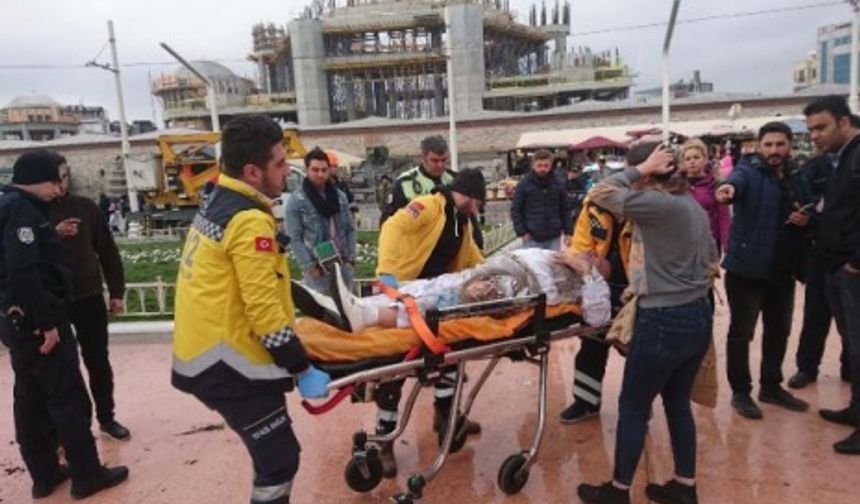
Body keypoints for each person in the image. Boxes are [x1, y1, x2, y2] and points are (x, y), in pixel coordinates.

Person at [171, 115, 332, 503]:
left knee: (276, 456)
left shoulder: (220, 201)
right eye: (279, 163)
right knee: (279, 459)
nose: (286, 171)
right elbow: (260, 305)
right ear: (252, 172)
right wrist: (300, 364)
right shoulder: (248, 220)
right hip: (227, 364)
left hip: (204, 351)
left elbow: (258, 283)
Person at [577, 141, 717, 504]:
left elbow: (599, 193)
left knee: (634, 406)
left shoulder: (658, 204)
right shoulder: (692, 206)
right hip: (697, 315)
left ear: (651, 174)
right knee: (677, 402)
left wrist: (640, 169)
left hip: (664, 320)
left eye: (637, 174)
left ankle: (619, 491)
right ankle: (685, 486)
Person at [0, 150, 128, 500]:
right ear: (39, 177)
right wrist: (46, 324)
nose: (60, 187)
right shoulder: (23, 211)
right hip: (37, 321)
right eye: (56, 179)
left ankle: (44, 475)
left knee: (30, 397)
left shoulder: (7, 205)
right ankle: (87, 475)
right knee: (67, 397)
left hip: (15, 319)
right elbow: (24, 272)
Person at [371, 168, 486, 478]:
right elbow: (393, 226)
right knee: (395, 367)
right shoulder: (429, 205)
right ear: (467, 195)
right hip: (404, 291)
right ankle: (384, 439)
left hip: (436, 299)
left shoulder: (461, 221)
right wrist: (387, 272)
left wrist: (489, 273)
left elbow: (472, 254)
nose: (477, 211)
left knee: (449, 354)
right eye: (476, 204)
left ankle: (445, 416)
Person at [715, 121, 813, 420]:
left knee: (778, 330)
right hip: (747, 268)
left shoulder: (797, 175)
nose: (774, 150)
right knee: (741, 333)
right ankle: (741, 392)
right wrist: (727, 188)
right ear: (759, 146)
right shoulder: (749, 170)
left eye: (780, 144)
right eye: (768, 144)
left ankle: (771, 386)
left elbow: (811, 207)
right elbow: (735, 183)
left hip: (783, 269)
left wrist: (806, 219)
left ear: (789, 145)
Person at [293, 248, 611, 332]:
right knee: (432, 285)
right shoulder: (566, 258)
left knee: (447, 301)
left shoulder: (590, 283)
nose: (589, 254)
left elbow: (598, 319)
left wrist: (588, 273)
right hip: (505, 266)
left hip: (516, 286)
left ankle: (368, 315)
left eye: (596, 259)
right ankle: (346, 304)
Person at [49, 156, 130, 441]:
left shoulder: (85, 208)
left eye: (63, 177)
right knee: (62, 366)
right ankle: (71, 427)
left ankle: (107, 418)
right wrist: (53, 235)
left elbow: (107, 251)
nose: (59, 184)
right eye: (54, 178)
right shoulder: (32, 213)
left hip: (88, 295)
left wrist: (117, 292)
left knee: (98, 361)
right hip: (53, 301)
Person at [558, 157, 636, 424]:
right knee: (591, 346)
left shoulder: (646, 209)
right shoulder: (592, 209)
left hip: (636, 290)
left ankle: (638, 407)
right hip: (599, 287)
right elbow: (580, 246)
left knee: (637, 351)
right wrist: (585, 265)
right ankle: (585, 401)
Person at [804, 95, 860, 454]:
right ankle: (857, 409)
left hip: (853, 269)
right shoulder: (843, 158)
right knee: (854, 348)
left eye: (821, 127)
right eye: (810, 130)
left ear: (844, 122)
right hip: (840, 266)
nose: (814, 136)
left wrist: (856, 261)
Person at [788, 154, 851, 389]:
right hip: (821, 252)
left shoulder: (852, 164)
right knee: (816, 312)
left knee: (851, 316)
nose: (816, 135)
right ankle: (807, 367)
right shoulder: (815, 166)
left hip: (851, 254)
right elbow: (801, 198)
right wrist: (809, 217)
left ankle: (850, 367)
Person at [285, 147, 356, 296]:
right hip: (318, 270)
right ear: (307, 170)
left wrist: (350, 260)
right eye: (315, 170)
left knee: (347, 315)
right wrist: (309, 267)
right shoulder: (297, 200)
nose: (320, 174)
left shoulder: (340, 196)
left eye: (324, 170)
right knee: (322, 315)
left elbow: (350, 229)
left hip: (343, 265)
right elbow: (294, 238)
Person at [379, 135, 455, 224]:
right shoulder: (405, 183)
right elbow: (388, 221)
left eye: (444, 160)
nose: (440, 165)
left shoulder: (455, 179)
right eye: (435, 161)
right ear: (423, 158)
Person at [511, 149, 572, 250]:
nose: (542, 169)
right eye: (539, 165)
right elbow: (516, 209)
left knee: (552, 265)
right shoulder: (524, 183)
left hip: (553, 236)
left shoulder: (558, 182)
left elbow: (565, 208)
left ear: (551, 165)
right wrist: (522, 232)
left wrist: (568, 232)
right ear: (533, 165)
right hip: (532, 237)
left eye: (546, 166)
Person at [681, 139, 730, 254]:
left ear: (705, 159)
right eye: (687, 159)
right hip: (683, 242)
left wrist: (726, 247)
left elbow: (724, 217)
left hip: (709, 242)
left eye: (696, 157)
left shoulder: (715, 184)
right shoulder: (676, 184)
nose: (692, 161)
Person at [326, 150, 358, 214]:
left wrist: (355, 212)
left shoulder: (340, 183)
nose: (336, 168)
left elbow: (350, 198)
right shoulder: (322, 185)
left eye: (336, 166)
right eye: (334, 166)